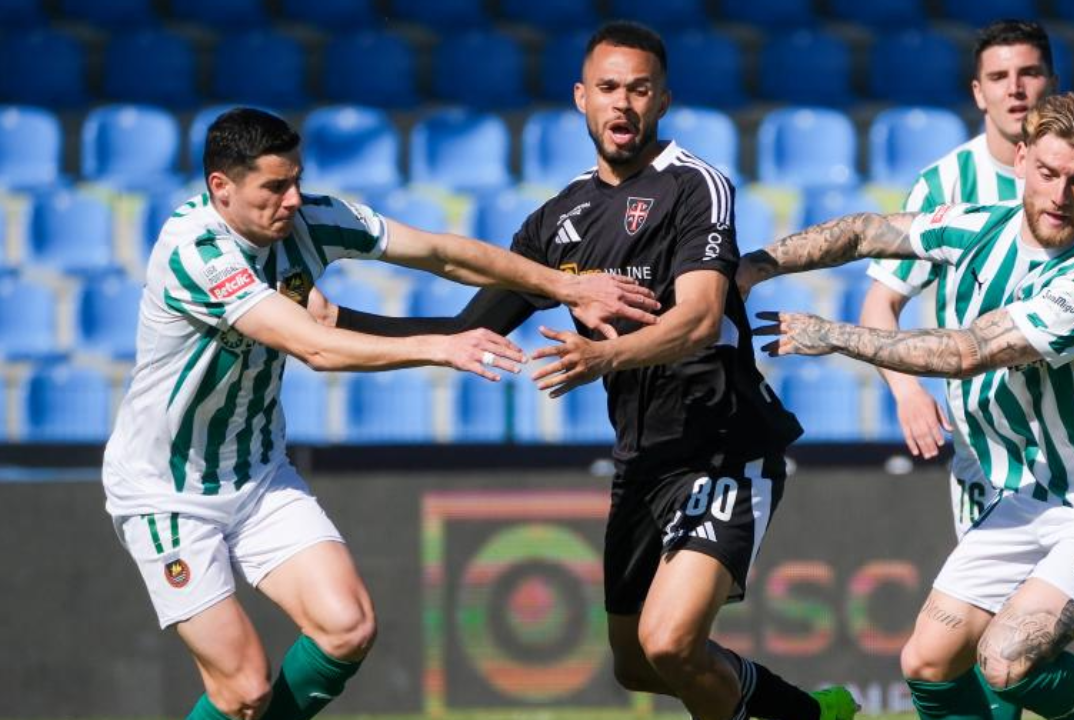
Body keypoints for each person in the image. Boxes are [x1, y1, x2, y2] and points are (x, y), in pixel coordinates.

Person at [314, 21, 858, 720]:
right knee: (638, 664)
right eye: (607, 89)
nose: (622, 105)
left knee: (669, 643)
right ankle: (800, 714)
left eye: (639, 89)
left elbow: (697, 319)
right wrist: (346, 321)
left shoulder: (696, 187)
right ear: (580, 98)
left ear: (663, 99)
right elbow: (465, 329)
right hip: (642, 459)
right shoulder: (557, 220)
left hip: (723, 445)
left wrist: (604, 356)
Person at [102, 107, 664, 720]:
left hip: (258, 472)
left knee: (347, 628)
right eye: (274, 187)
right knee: (244, 692)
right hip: (170, 493)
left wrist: (567, 286)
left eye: (296, 180)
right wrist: (440, 345)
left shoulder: (310, 219)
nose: (293, 199)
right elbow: (314, 345)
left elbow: (444, 254)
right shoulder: (196, 252)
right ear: (221, 188)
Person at [744, 92, 1074, 720]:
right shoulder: (982, 224)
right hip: (1037, 497)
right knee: (927, 659)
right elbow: (868, 231)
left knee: (1005, 660)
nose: (1060, 195)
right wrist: (750, 268)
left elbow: (966, 352)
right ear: (1024, 159)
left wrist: (833, 334)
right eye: (1049, 173)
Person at [857, 20, 1074, 720]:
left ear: (1050, 86)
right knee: (982, 636)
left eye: (1031, 73)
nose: (1017, 87)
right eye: (1001, 76)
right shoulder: (945, 182)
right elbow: (882, 294)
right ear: (978, 93)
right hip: (992, 443)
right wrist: (905, 391)